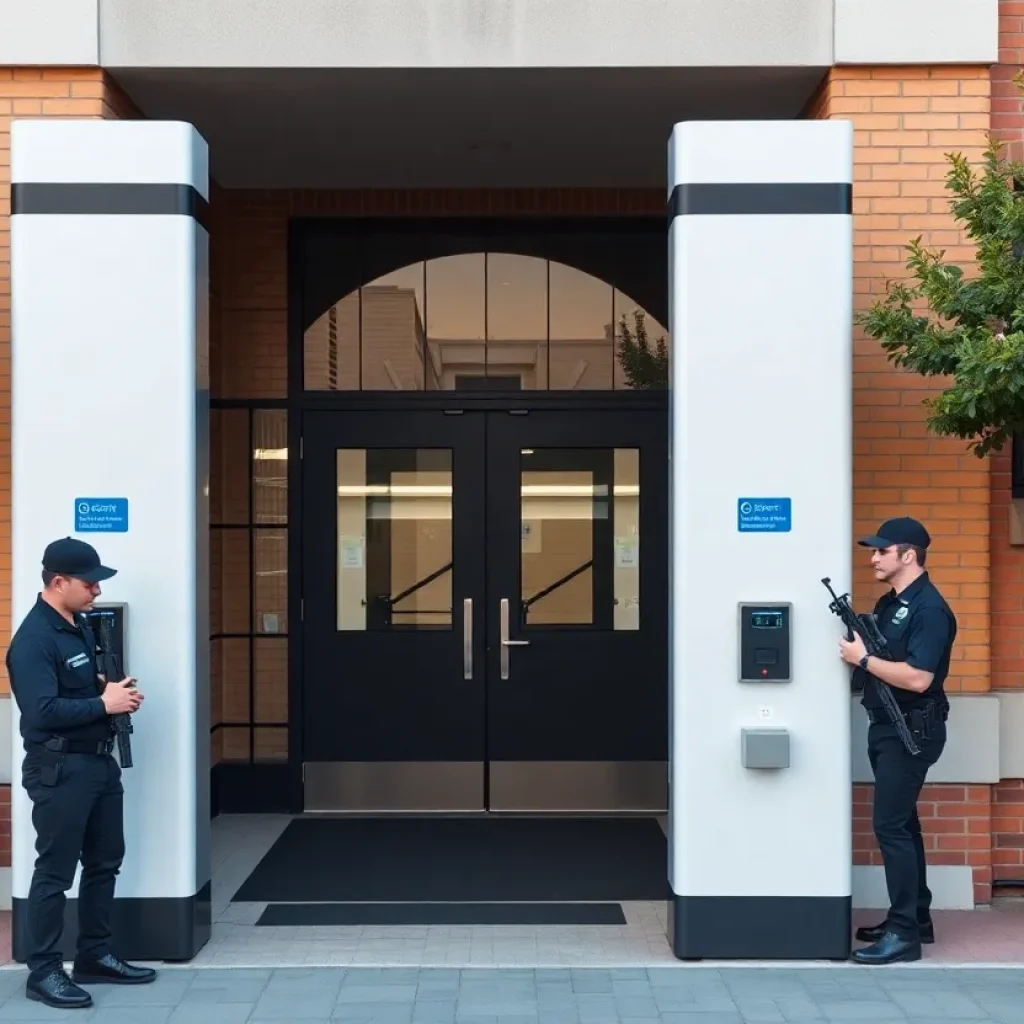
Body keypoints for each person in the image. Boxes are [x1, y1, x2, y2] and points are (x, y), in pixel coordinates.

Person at [6, 538, 155, 1009]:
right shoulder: (33, 640)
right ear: (57, 582)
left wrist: (111, 692)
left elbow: (80, 683)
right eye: (88, 582)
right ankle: (45, 970)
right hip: (61, 767)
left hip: (97, 762)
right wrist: (102, 703)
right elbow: (41, 709)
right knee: (55, 870)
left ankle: (94, 954)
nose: (96, 589)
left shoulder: (80, 626)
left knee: (105, 860)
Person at [839, 516, 957, 966]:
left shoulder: (929, 609)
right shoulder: (892, 603)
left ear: (908, 555)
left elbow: (919, 677)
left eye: (881, 551)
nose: (872, 557)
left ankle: (903, 934)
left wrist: (863, 658)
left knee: (891, 826)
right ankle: (914, 919)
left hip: (911, 729)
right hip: (887, 726)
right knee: (904, 824)